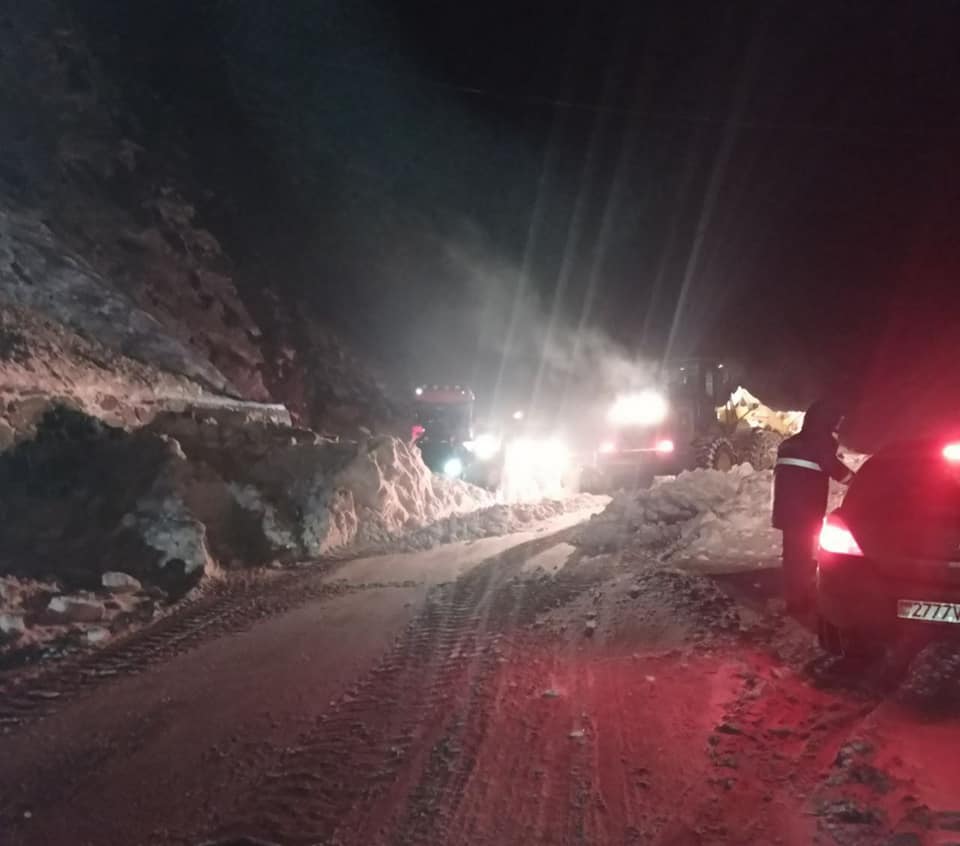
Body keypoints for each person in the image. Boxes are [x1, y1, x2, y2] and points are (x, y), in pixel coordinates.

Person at [772, 400, 855, 613]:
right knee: (799, 555)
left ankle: (794, 594)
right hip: (803, 508)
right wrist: (856, 480)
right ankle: (799, 600)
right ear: (827, 419)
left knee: (792, 554)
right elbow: (833, 467)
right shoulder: (819, 441)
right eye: (837, 420)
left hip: (786, 508)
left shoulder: (791, 442)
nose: (839, 425)